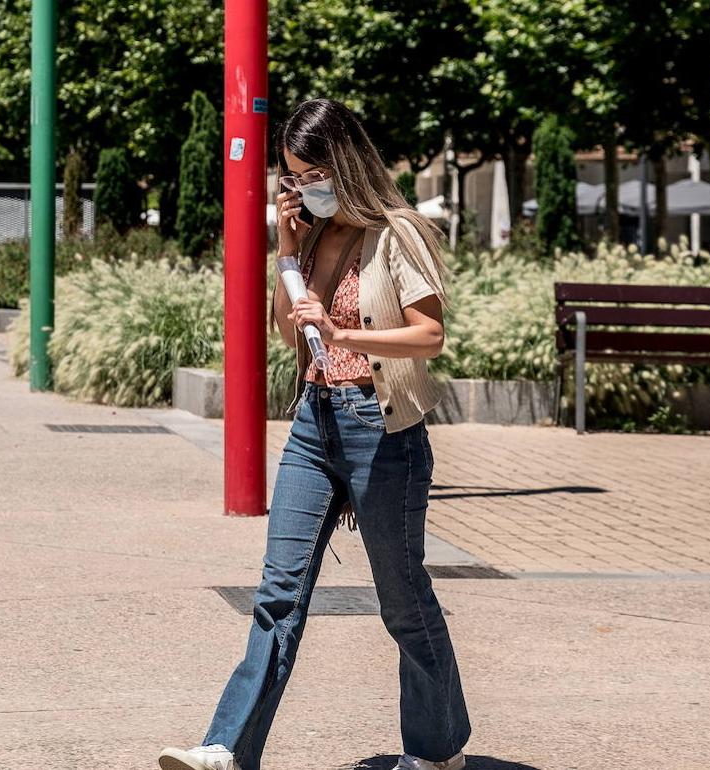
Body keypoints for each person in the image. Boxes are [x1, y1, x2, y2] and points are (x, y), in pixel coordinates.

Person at [158, 99, 469, 770]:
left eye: (311, 174)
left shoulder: (399, 232)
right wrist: (286, 251)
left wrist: (344, 332)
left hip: (382, 431)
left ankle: (438, 748)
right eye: (292, 178)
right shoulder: (313, 235)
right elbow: (288, 334)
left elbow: (431, 334)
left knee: (403, 603)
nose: (302, 189)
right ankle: (226, 749)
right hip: (314, 424)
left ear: (344, 163)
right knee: (277, 596)